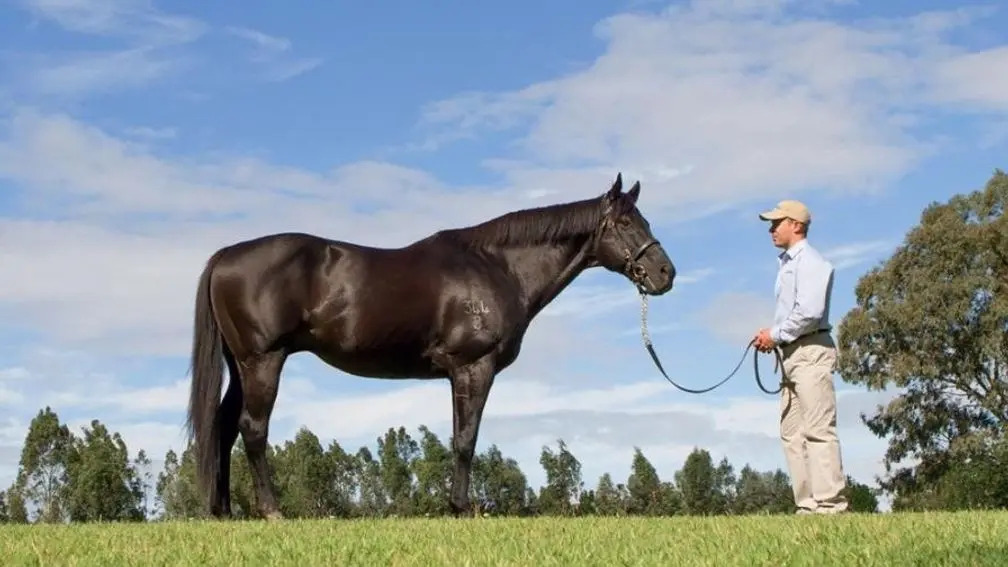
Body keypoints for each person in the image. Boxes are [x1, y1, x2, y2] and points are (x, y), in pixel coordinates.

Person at [753, 199, 848, 515]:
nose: (771, 229)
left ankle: (831, 505)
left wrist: (775, 334)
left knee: (818, 429)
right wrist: (774, 336)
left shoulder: (812, 262)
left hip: (810, 351)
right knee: (792, 432)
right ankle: (808, 505)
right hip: (792, 354)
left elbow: (809, 313)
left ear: (796, 224)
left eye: (776, 223)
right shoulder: (789, 263)